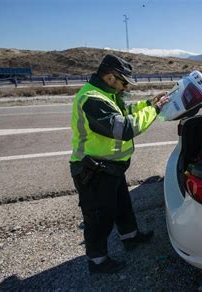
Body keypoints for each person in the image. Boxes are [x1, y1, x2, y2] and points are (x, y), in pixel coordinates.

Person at [69, 54, 169, 274]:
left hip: (111, 167)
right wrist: (156, 110)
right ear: (109, 77)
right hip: (93, 170)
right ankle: (97, 261)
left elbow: (126, 112)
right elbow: (124, 128)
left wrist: (149, 103)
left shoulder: (108, 94)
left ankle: (130, 237)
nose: (125, 86)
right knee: (98, 218)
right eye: (123, 81)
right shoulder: (92, 99)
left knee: (123, 206)